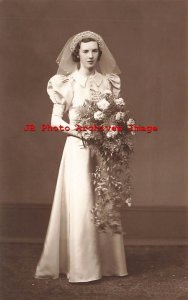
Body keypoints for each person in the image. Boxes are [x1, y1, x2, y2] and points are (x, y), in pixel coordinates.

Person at [34, 31, 128, 283]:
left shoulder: (107, 81)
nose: (90, 55)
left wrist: (112, 132)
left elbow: (113, 114)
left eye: (94, 51)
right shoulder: (66, 83)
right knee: (82, 204)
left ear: (99, 53)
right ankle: (83, 267)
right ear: (77, 53)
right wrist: (79, 132)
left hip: (101, 151)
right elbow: (55, 120)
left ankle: (109, 265)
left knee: (103, 201)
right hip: (77, 150)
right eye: (85, 51)